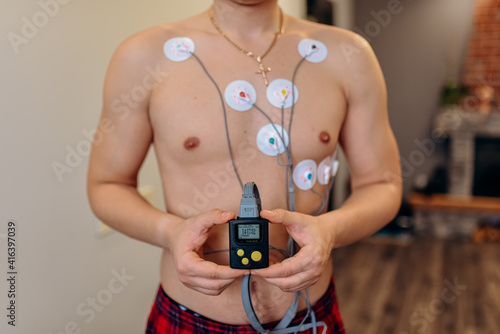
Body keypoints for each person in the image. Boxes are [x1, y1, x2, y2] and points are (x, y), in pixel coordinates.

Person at [87, 0, 402, 333]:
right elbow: (108, 184)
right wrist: (169, 232)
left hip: (309, 316)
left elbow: (381, 184)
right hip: (189, 319)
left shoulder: (348, 54)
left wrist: (331, 232)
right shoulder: (144, 56)